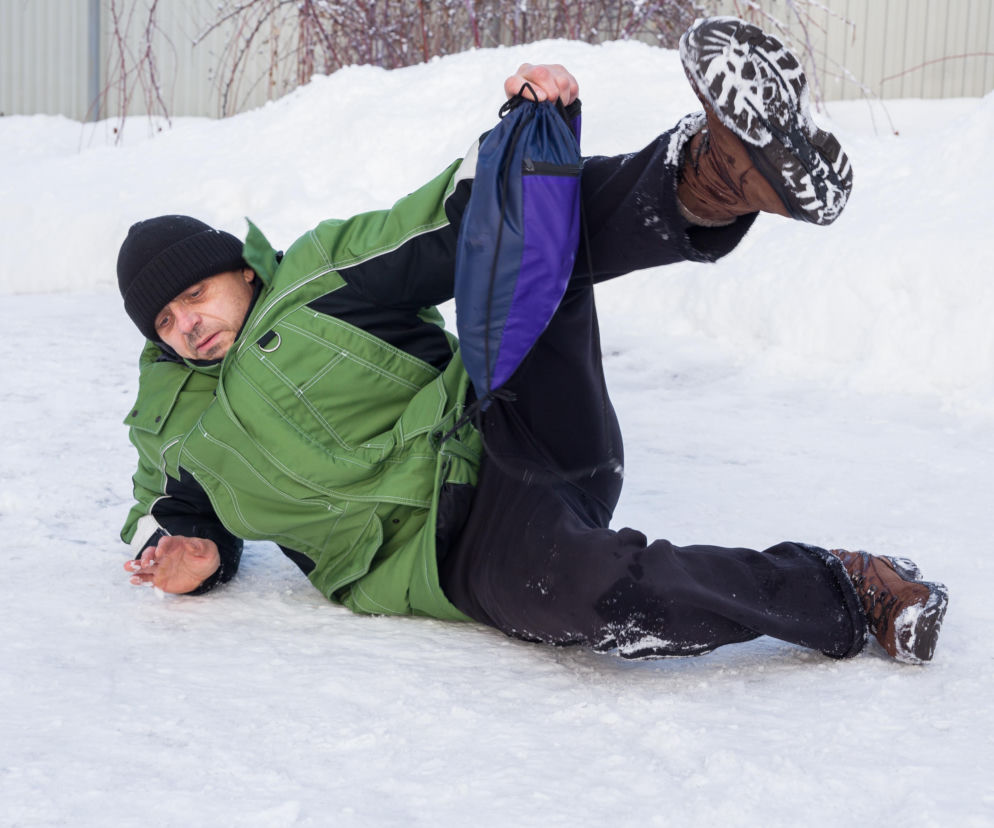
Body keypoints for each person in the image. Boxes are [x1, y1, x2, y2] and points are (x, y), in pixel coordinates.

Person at [118, 17, 948, 664]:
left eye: (196, 294)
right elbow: (188, 520)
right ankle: (848, 587)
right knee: (596, 598)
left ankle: (717, 173)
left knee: (523, 233)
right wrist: (194, 555)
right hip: (454, 549)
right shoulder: (172, 434)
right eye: (165, 322)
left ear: (242, 274)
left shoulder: (315, 279)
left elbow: (453, 229)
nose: (187, 323)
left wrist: (529, 140)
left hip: (507, 417)